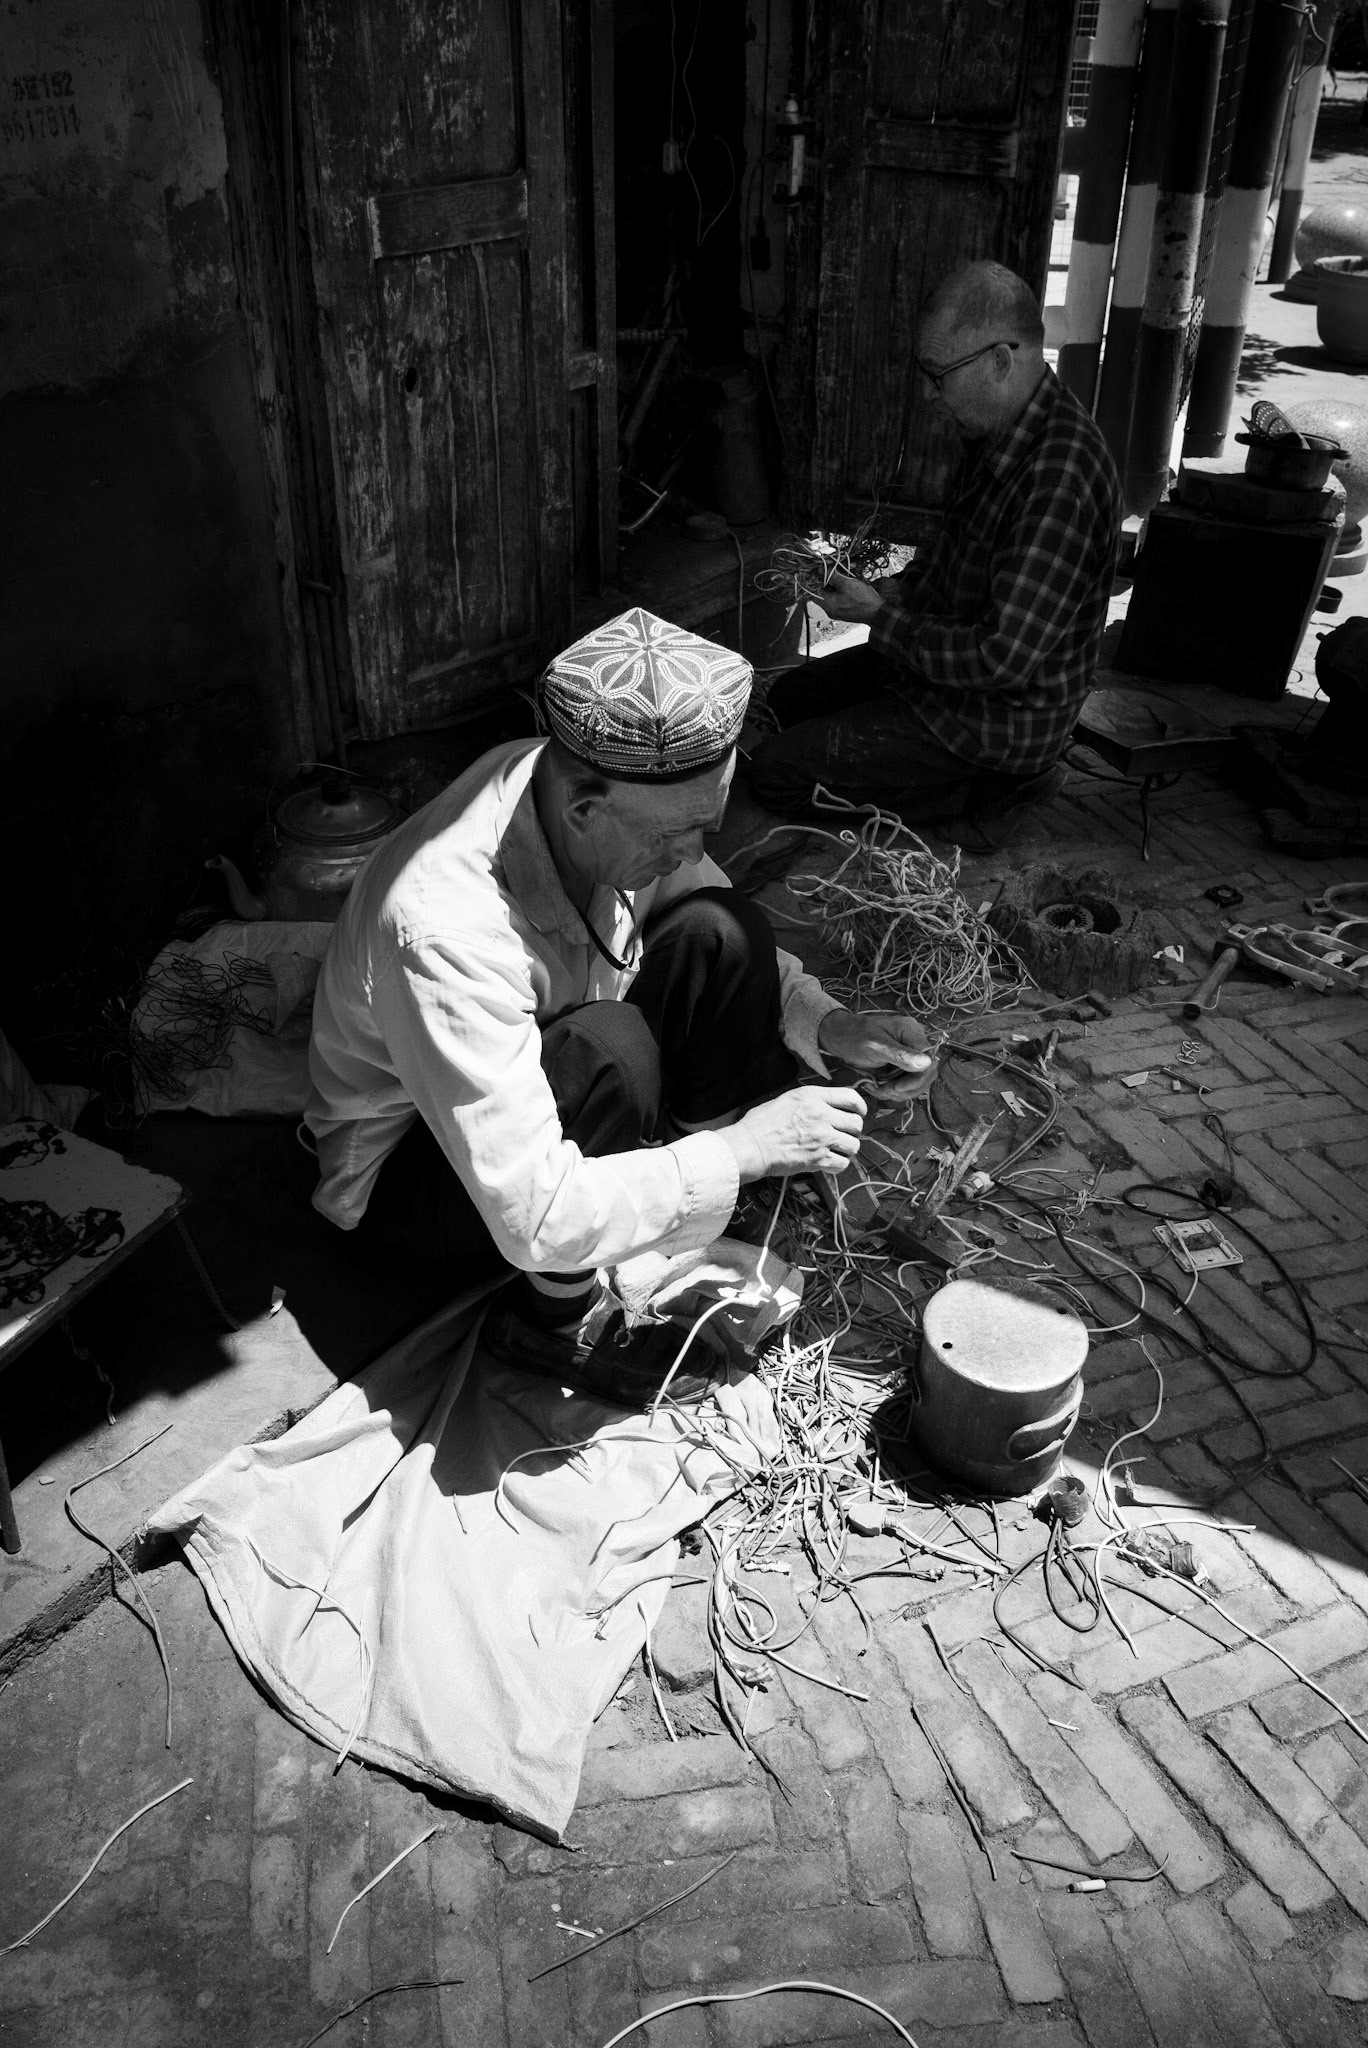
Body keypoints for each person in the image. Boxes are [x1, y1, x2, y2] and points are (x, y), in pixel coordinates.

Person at [305, 606, 931, 1400]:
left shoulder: (578, 786)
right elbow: (536, 1215)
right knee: (612, 1052)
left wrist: (830, 1024)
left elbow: (701, 902)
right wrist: (745, 1148)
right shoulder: (442, 930)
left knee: (725, 927)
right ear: (582, 812)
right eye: (677, 835)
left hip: (550, 1092)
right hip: (420, 1185)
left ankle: (685, 1206)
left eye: (708, 822)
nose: (695, 850)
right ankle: (556, 1321)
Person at [749, 261, 1122, 843]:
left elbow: (1000, 661)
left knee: (775, 776)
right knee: (793, 698)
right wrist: (893, 591)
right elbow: (950, 553)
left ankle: (977, 799)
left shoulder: (1060, 480)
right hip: (941, 674)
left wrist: (880, 617)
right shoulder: (996, 429)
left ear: (1000, 362)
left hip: (997, 721)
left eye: (938, 374)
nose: (927, 393)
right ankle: (933, 776)